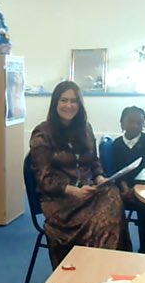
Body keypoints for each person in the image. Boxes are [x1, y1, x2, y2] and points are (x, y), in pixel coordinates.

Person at [29, 81, 131, 267]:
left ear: (80, 104)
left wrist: (100, 177)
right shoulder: (42, 134)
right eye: (64, 100)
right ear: (55, 103)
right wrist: (73, 190)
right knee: (105, 219)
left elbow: (94, 161)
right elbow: (44, 179)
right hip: (60, 201)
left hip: (87, 192)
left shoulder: (85, 128)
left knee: (113, 196)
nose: (69, 105)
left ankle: (111, 266)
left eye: (74, 101)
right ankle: (98, 268)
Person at [109, 106, 145, 254]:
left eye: (140, 123)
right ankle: (118, 246)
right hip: (123, 188)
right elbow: (117, 171)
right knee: (109, 205)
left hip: (144, 187)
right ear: (121, 123)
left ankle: (144, 248)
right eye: (131, 122)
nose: (135, 126)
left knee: (144, 207)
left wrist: (136, 190)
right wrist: (125, 189)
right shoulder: (116, 144)